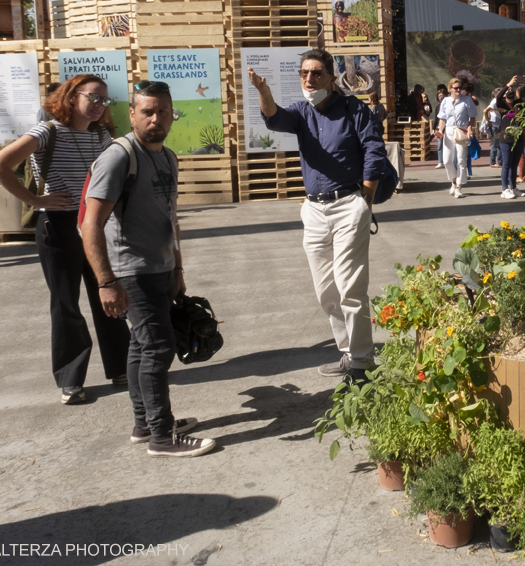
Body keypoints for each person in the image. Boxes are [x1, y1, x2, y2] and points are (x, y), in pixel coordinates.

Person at [80, 81, 214, 456]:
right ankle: (162, 435)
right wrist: (106, 282)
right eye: (147, 111)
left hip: (160, 267)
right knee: (158, 347)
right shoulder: (119, 157)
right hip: (130, 270)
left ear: (173, 113)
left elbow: (170, 216)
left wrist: (177, 267)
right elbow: (90, 224)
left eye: (163, 111)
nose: (156, 118)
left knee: (141, 345)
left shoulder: (167, 156)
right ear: (132, 115)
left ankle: (145, 424)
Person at [0, 73, 132, 404]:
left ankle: (121, 366)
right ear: (71, 97)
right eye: (92, 98)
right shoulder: (47, 131)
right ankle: (71, 380)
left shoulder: (100, 137)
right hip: (58, 226)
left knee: (105, 292)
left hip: (94, 226)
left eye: (104, 100)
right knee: (65, 302)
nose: (99, 106)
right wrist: (35, 200)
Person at [248, 49, 385, 382]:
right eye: (304, 73)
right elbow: (274, 118)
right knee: (326, 290)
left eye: (316, 73)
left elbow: (374, 150)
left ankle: (363, 362)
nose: (309, 79)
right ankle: (348, 353)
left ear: (331, 77)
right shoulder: (301, 112)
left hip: (349, 204)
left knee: (350, 286)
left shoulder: (354, 109)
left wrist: (365, 198)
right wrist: (263, 92)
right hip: (313, 209)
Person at [435, 77, 477, 198]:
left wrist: (469, 129)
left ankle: (459, 187)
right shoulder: (446, 101)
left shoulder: (467, 100)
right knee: (447, 160)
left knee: (461, 160)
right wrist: (440, 130)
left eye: (460, 88)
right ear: (450, 89)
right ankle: (453, 182)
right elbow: (442, 118)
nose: (458, 90)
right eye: (456, 88)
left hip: (462, 130)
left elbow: (472, 117)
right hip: (448, 131)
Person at [496, 86, 525, 199]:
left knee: (514, 164)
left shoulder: (518, 104)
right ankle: (504, 189)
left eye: (512, 90)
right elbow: (498, 97)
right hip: (506, 138)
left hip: (518, 137)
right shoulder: (502, 105)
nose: (509, 92)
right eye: (507, 91)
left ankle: (513, 187)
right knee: (506, 164)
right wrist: (508, 85)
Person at [484, 89, 504, 168]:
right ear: (496, 94)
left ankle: (499, 162)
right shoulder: (494, 101)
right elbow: (485, 110)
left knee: (499, 143)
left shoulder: (500, 101)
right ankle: (492, 162)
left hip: (499, 122)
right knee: (495, 143)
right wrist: (488, 120)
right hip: (495, 123)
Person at [433, 84, 449, 168]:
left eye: (442, 96)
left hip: (447, 128)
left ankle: (447, 161)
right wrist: (433, 128)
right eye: (439, 96)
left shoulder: (449, 105)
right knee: (439, 146)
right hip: (439, 128)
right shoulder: (437, 107)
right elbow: (436, 118)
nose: (441, 97)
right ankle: (440, 162)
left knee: (447, 145)